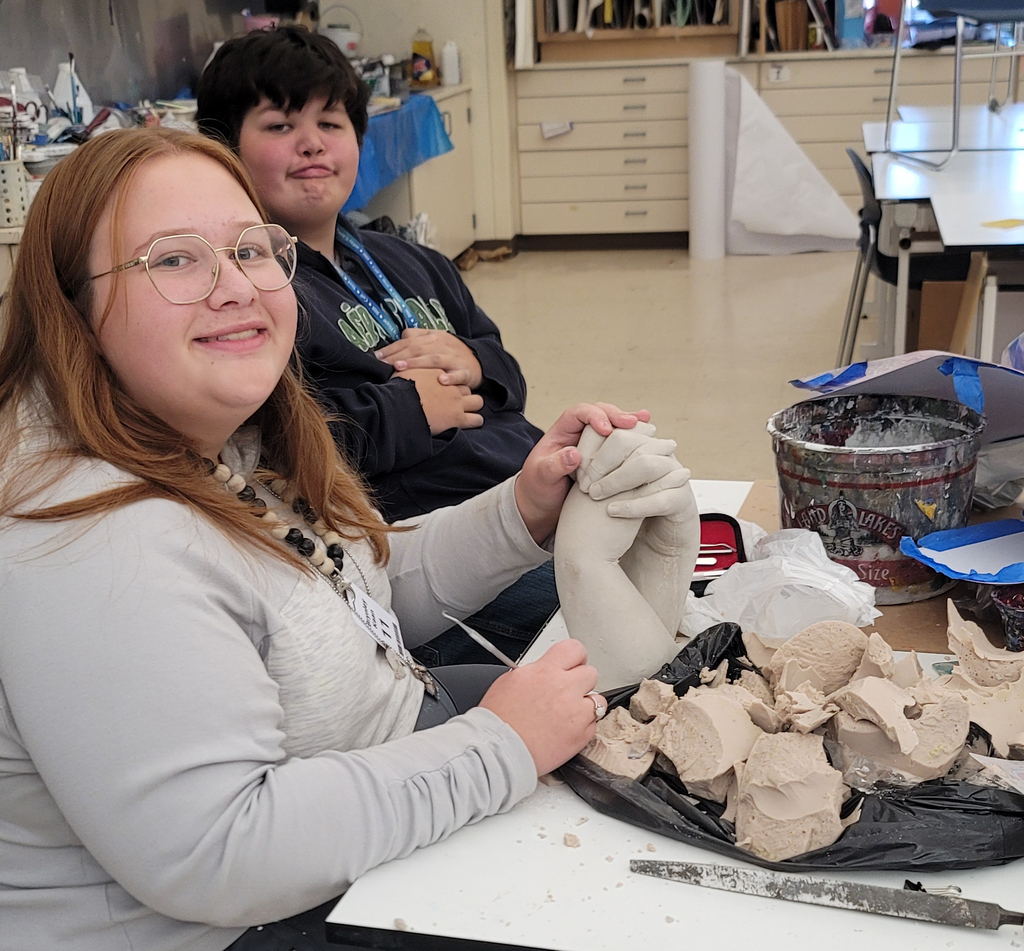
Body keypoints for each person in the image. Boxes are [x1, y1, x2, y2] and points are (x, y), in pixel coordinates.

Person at [0, 127, 693, 951]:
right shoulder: (89, 542)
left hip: (367, 774)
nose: (235, 288)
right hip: (241, 919)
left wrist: (522, 510)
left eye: (251, 249)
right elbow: (218, 852)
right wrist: (498, 744)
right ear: (69, 304)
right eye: (174, 260)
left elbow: (350, 591)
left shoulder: (219, 439)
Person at [195, 27, 555, 667]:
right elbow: (277, 449)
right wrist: (409, 411)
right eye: (279, 125)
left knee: (673, 525)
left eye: (331, 123)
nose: (311, 142)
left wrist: (476, 364)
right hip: (426, 549)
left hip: (530, 492)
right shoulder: (249, 292)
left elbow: (508, 375)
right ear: (223, 151)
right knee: (595, 607)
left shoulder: (412, 261)